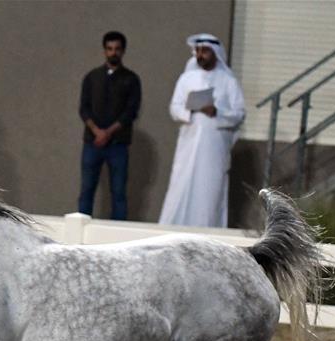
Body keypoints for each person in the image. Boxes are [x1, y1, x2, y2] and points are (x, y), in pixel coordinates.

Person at [159, 34, 245, 228]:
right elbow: (175, 107)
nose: (200, 55)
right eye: (198, 51)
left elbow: (239, 113)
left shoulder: (228, 81)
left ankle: (208, 231)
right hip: (188, 145)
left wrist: (217, 112)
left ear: (215, 53)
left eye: (205, 51)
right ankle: (172, 228)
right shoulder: (186, 78)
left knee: (209, 191)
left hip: (214, 147)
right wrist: (191, 110)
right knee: (181, 186)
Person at [76, 31, 141, 220]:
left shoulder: (131, 79)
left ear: (123, 51)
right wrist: (97, 132)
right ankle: (80, 233)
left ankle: (119, 233)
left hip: (118, 144)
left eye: (117, 49)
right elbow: (83, 109)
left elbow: (131, 111)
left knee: (118, 192)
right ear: (104, 51)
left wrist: (108, 133)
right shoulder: (92, 77)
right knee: (87, 190)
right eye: (110, 49)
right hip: (92, 143)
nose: (113, 53)